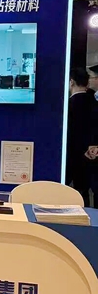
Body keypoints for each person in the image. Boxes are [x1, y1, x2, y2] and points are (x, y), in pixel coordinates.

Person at [66, 68, 96, 206]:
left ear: (71, 82)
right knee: (86, 195)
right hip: (92, 158)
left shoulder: (67, 107)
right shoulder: (94, 103)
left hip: (71, 158)